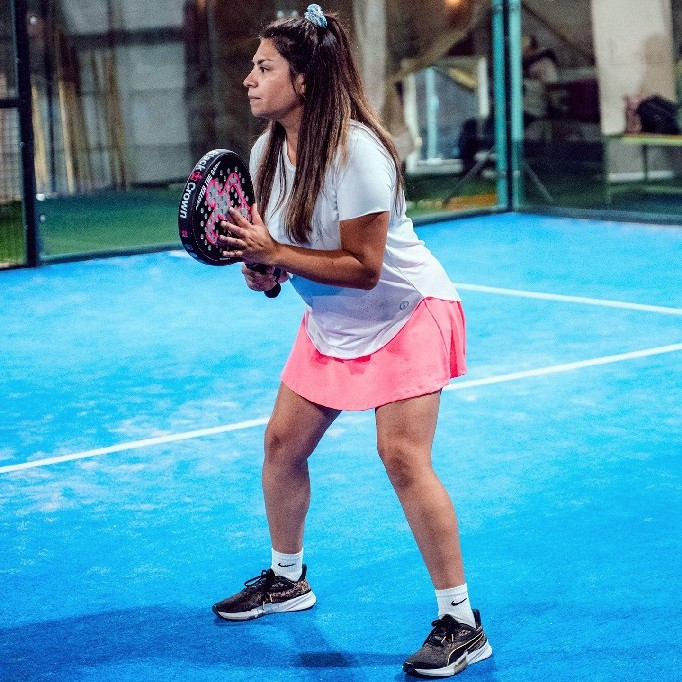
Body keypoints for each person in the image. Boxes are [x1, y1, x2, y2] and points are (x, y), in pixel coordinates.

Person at [211, 5, 492, 678]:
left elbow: (365, 267)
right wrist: (267, 271)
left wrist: (277, 252)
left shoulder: (359, 152)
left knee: (401, 457)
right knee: (282, 445)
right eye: (253, 67)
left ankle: (461, 623)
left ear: (304, 80)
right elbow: (291, 252)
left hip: (406, 313)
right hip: (334, 320)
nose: (249, 80)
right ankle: (287, 579)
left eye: (264, 68)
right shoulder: (267, 152)